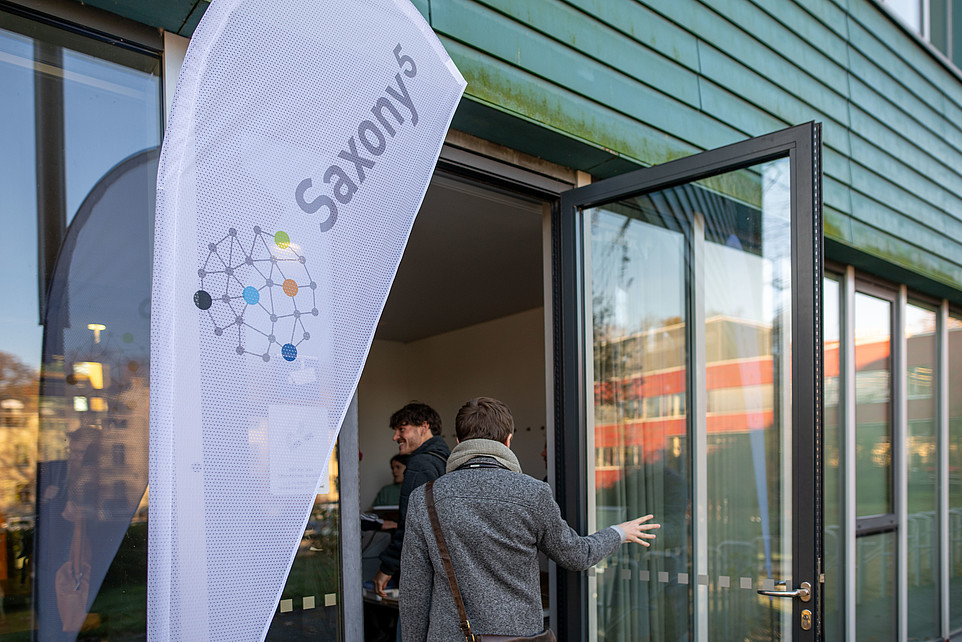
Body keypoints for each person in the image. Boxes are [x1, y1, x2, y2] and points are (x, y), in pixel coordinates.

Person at [400, 397, 659, 641]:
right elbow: (576, 555)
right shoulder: (533, 492)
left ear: (458, 440)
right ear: (509, 440)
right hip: (518, 637)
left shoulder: (424, 497)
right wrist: (618, 532)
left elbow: (414, 591)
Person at [372, 402, 450, 599]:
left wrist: (387, 567)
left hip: (423, 568)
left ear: (424, 427)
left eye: (402, 429)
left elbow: (411, 524)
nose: (395, 437)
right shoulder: (446, 459)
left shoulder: (420, 464)